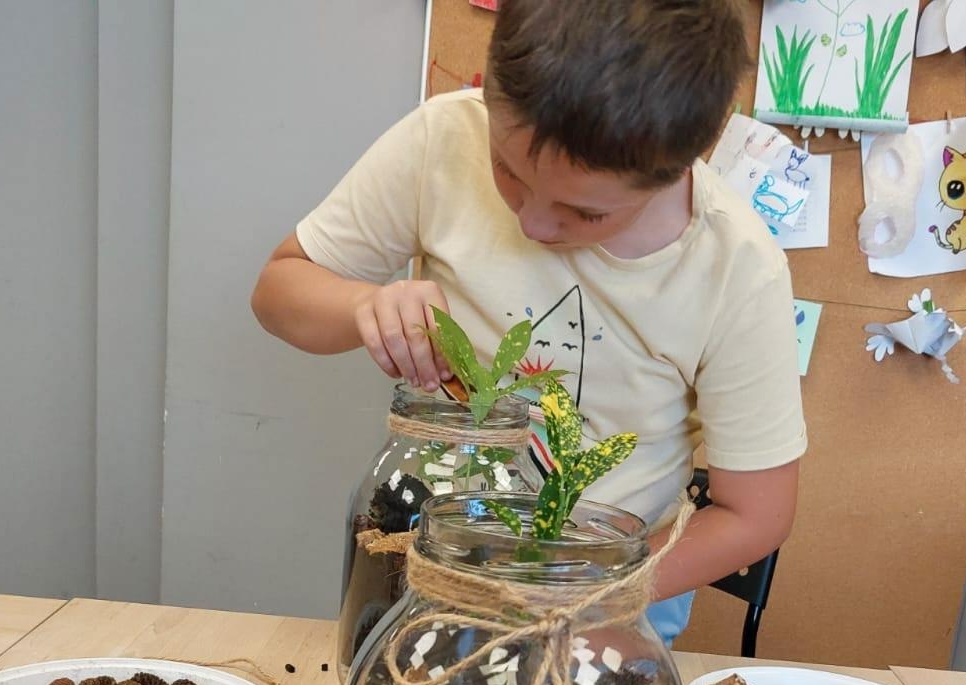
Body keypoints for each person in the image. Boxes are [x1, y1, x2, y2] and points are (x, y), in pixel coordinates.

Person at [252, 0, 805, 644]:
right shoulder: (441, 141)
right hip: (433, 571)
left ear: (684, 162)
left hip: (614, 601)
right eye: (506, 172)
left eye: (585, 213)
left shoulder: (737, 267)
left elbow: (755, 513)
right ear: (489, 91)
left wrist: (587, 594)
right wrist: (359, 307)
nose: (532, 224)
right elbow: (278, 292)